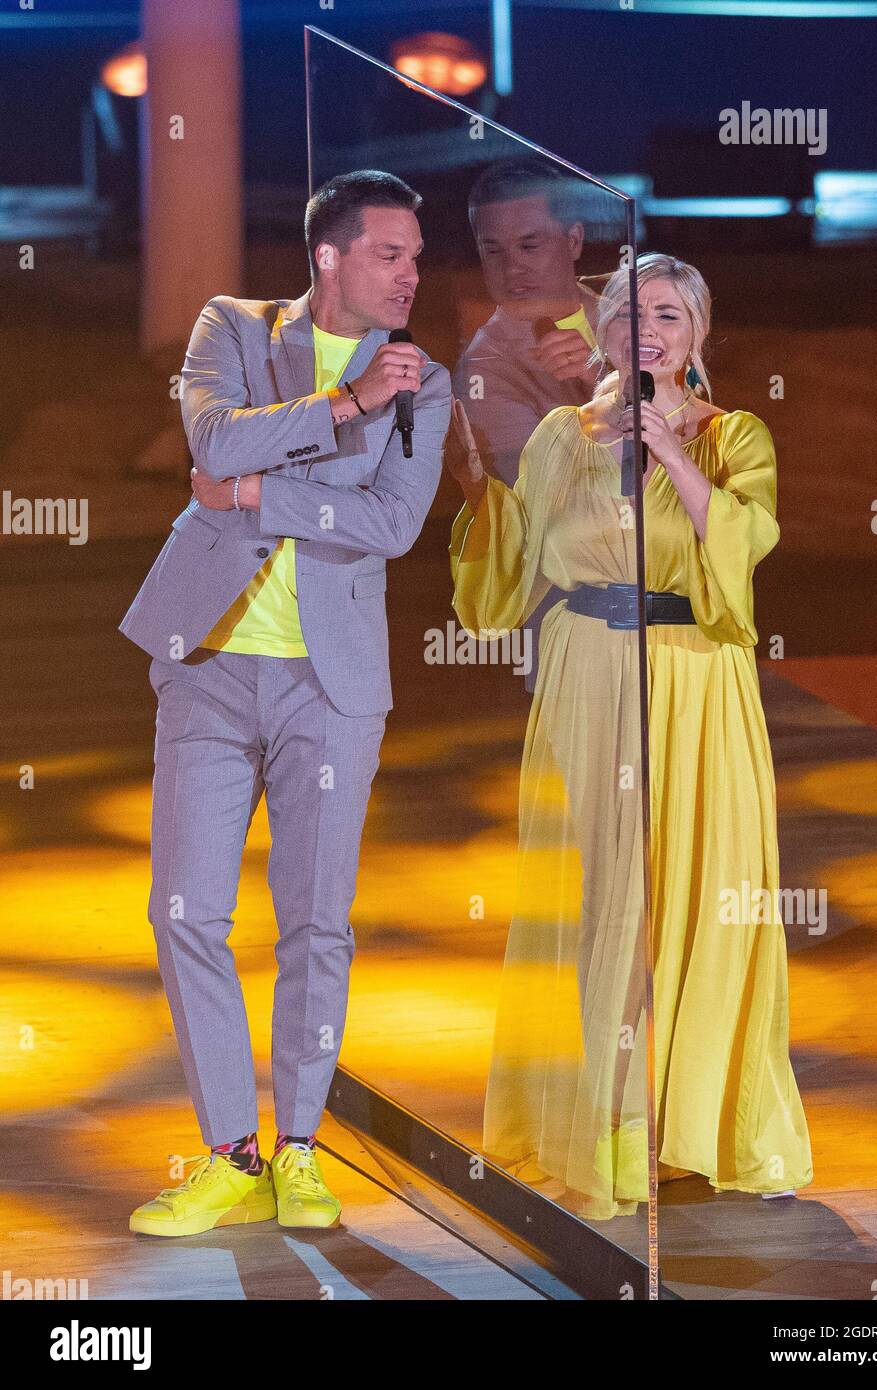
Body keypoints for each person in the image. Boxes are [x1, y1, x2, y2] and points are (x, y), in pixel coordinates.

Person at [119, 169, 452, 1236]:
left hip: (333, 681)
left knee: (315, 921)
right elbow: (210, 442)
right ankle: (229, 1154)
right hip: (209, 667)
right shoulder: (234, 326)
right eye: (391, 252)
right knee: (186, 912)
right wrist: (344, 409)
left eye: (415, 254)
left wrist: (265, 488)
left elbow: (393, 524)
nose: (411, 272)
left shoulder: (426, 381)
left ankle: (302, 1152)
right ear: (330, 256)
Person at [446, 253, 813, 1220]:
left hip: (695, 678)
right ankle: (606, 1119)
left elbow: (746, 543)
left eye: (666, 314)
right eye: (626, 315)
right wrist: (476, 490)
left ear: (694, 332)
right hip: (585, 668)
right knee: (605, 895)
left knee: (702, 893)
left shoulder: (735, 435)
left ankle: (718, 1121)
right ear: (602, 332)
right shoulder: (560, 439)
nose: (644, 330)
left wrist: (676, 456)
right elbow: (510, 574)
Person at [452, 157, 603, 692]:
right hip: (579, 619)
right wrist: (610, 393)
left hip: (680, 614)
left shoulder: (633, 313)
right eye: (494, 251)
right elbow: (543, 505)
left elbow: (707, 438)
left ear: (575, 240)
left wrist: (607, 376)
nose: (512, 267)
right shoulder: (484, 369)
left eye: (530, 245)